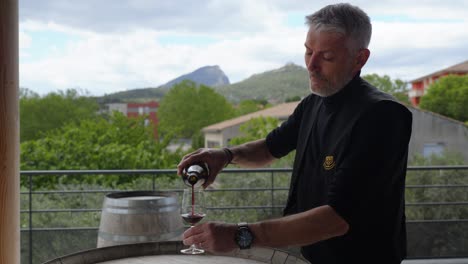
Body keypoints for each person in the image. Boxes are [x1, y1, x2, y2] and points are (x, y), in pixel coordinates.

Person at [177, 3, 412, 264]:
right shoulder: (313, 104)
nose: (311, 65)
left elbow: (336, 220)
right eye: (308, 52)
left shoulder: (382, 117)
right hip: (312, 258)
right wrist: (225, 155)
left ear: (360, 58)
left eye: (327, 57)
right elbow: (268, 148)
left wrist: (239, 235)